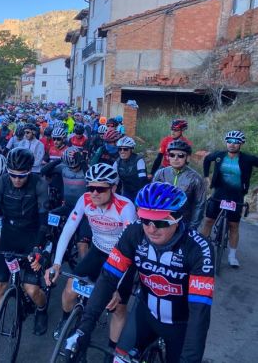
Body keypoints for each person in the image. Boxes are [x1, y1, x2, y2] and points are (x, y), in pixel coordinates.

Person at [69, 182, 214, 363]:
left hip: (181, 325)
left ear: (177, 218)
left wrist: (191, 358)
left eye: (160, 222)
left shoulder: (199, 248)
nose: (151, 229)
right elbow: (108, 277)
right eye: (145, 219)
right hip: (145, 315)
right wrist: (84, 327)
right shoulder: (134, 232)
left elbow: (200, 310)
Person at [46, 163, 136, 347]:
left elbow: (131, 248)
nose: (94, 193)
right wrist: (56, 263)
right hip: (97, 251)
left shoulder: (125, 207)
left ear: (113, 188)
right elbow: (69, 229)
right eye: (90, 187)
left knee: (118, 308)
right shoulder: (85, 199)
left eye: (100, 188)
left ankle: (112, 350)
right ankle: (66, 321)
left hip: (121, 258)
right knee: (70, 289)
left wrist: (117, 288)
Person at [0, 148, 50, 350]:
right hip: (9, 235)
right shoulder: (1, 183)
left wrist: (38, 247)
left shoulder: (40, 184)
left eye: (22, 176)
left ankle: (42, 310)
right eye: (13, 175)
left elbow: (44, 219)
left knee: (31, 289)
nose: (16, 180)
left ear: (29, 171)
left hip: (31, 235)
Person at [201, 130, 258, 267]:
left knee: (234, 225)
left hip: (236, 194)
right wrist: (206, 177)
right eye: (229, 141)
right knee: (209, 220)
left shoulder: (247, 159)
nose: (232, 145)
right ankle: (201, 249)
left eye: (236, 142)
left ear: (241, 144)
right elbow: (207, 159)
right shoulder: (219, 155)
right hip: (219, 192)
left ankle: (232, 256)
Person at [153, 140, 205, 232]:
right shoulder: (161, 173)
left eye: (180, 155)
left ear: (187, 158)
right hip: (162, 220)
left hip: (184, 222)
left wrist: (192, 227)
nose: (175, 158)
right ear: (168, 157)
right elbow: (153, 197)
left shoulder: (195, 178)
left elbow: (199, 205)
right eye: (172, 155)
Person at [113, 136, 147, 202]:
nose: (122, 151)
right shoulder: (117, 162)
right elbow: (114, 181)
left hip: (140, 189)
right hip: (126, 191)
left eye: (125, 149)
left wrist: (140, 196)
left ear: (131, 150)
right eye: (120, 149)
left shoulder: (138, 160)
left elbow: (142, 179)